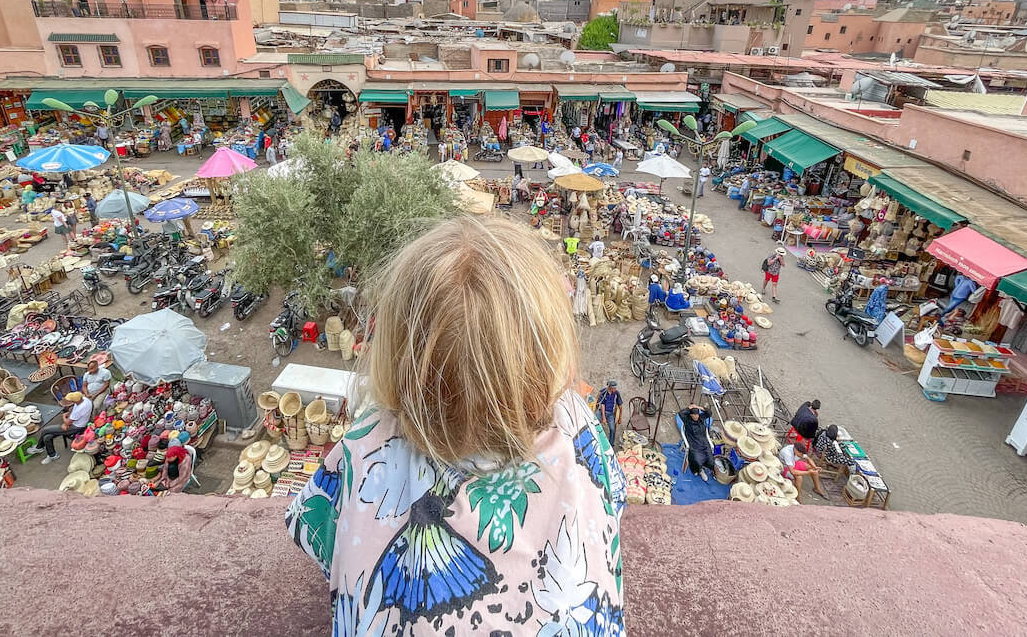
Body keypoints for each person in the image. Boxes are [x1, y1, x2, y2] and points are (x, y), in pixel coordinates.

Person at [285, 217, 624, 634]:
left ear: (397, 355)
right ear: (546, 351)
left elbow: (314, 528)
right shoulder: (575, 426)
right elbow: (613, 500)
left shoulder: (368, 439)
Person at [26, 391, 93, 465]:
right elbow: (72, 408)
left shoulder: (79, 409)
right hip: (74, 423)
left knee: (45, 430)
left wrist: (64, 417)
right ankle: (52, 455)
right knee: (47, 437)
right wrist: (68, 416)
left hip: (75, 427)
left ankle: (39, 448)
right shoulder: (84, 400)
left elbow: (67, 422)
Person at [678, 402, 714, 481]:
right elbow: (680, 413)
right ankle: (700, 470)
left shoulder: (701, 418)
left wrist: (699, 407)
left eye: (697, 414)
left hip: (703, 441)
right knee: (697, 459)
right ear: (691, 415)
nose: (696, 416)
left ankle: (704, 467)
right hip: (693, 442)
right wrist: (689, 408)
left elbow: (709, 413)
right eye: (694, 415)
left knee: (710, 460)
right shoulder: (687, 420)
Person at [597, 379, 623, 448]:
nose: (615, 389)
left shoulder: (616, 393)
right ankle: (597, 441)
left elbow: (620, 406)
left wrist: (620, 417)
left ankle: (611, 444)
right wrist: (604, 418)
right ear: (610, 387)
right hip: (601, 411)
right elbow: (602, 405)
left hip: (610, 413)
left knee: (612, 428)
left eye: (615, 388)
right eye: (614, 388)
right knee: (595, 423)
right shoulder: (604, 392)